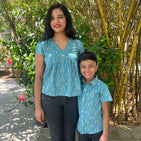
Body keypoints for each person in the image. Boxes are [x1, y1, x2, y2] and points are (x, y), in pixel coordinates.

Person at [34, 3, 83, 141]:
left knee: (70, 137)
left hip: (73, 99)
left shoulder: (77, 45)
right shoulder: (43, 45)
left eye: (60, 17)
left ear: (66, 19)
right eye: (52, 18)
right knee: (56, 137)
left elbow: (83, 74)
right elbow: (38, 77)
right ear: (48, 22)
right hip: (50, 99)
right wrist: (38, 107)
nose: (56, 21)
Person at [77, 51, 112, 141]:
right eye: (83, 67)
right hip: (82, 130)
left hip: (97, 130)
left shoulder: (102, 87)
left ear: (96, 67)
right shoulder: (77, 86)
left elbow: (105, 111)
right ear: (79, 68)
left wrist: (105, 135)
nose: (87, 70)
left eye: (91, 66)